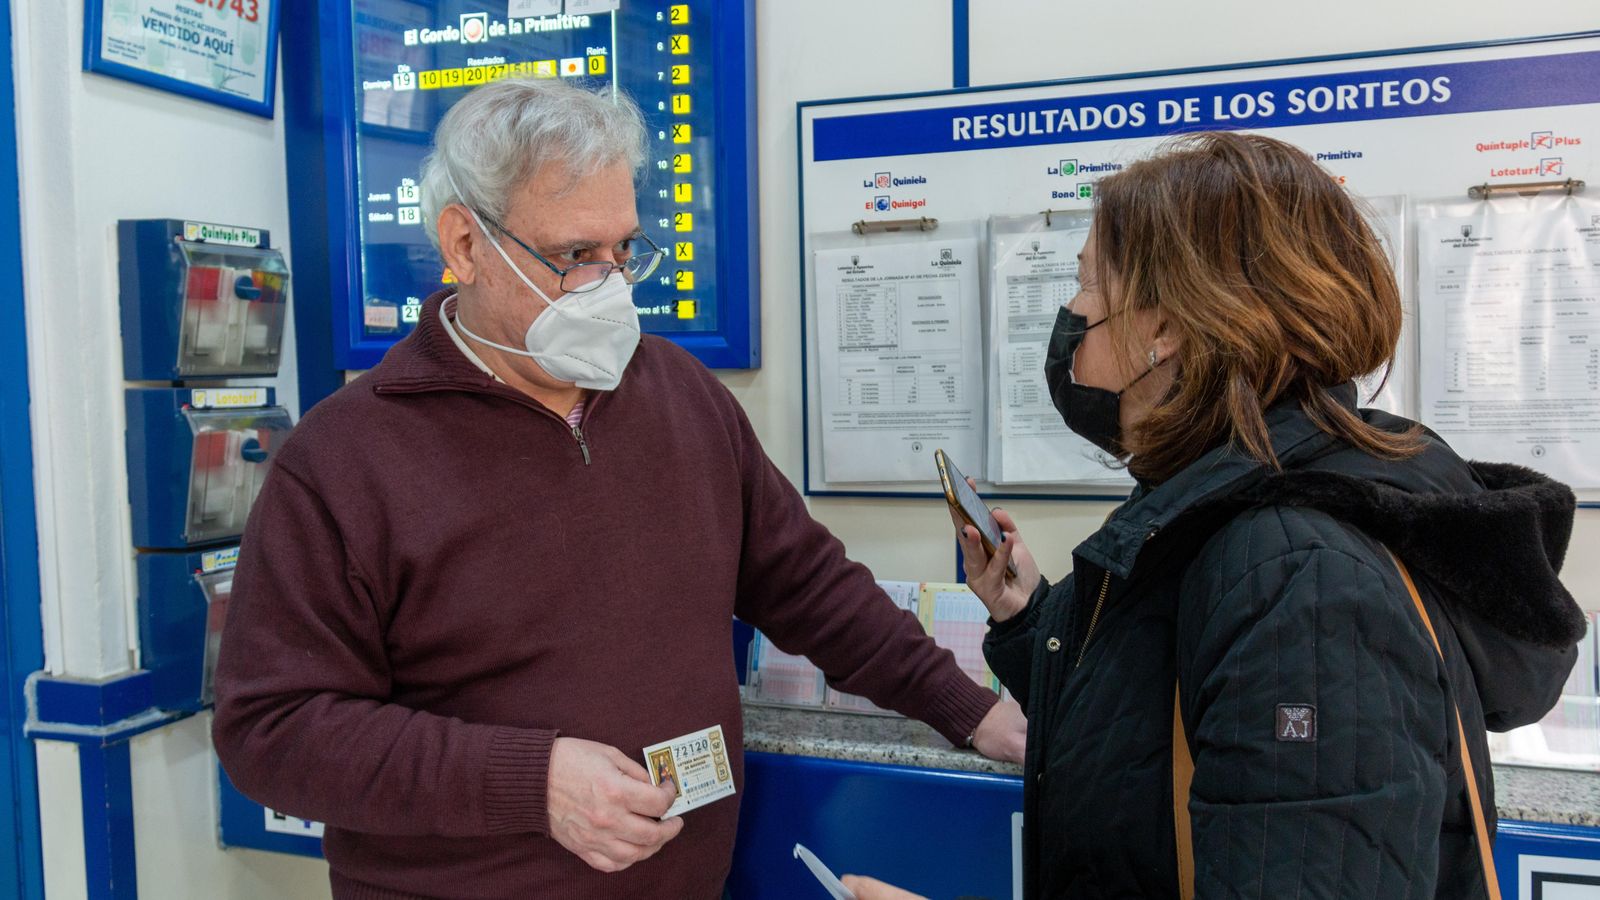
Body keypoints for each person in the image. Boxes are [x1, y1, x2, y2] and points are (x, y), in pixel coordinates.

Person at [211, 78, 1025, 900]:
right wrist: (534, 782)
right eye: (573, 257)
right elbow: (272, 733)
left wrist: (971, 710)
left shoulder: (680, 394)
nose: (609, 287)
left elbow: (808, 585)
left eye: (623, 251)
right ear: (463, 244)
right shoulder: (344, 461)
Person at [843, 131, 1584, 899]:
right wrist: (1027, 615)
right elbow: (1149, 725)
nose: (1069, 314)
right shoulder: (1225, 502)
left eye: (1088, 284)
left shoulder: (1302, 582)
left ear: (1164, 330)